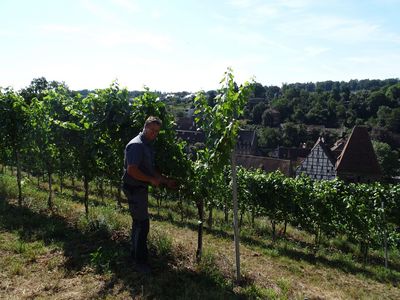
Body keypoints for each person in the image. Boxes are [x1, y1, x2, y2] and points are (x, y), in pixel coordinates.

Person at [122, 116, 176, 274]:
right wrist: (151, 180)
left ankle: (135, 255)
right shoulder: (137, 145)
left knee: (138, 223)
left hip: (139, 188)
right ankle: (140, 263)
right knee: (142, 224)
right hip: (134, 188)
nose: (154, 134)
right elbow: (132, 170)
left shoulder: (146, 144)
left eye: (157, 132)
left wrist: (165, 181)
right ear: (144, 127)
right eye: (151, 130)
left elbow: (149, 169)